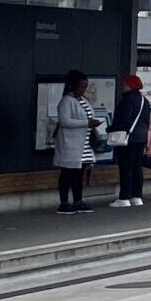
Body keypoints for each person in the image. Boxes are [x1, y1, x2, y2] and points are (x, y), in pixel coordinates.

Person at [51, 71, 100, 213]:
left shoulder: (83, 100)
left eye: (85, 87)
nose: (83, 90)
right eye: (81, 87)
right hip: (70, 144)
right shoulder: (66, 101)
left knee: (79, 174)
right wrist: (87, 123)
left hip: (84, 145)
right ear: (72, 86)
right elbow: (65, 121)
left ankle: (78, 200)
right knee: (67, 173)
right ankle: (64, 202)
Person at [108, 73, 151, 208]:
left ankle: (124, 198)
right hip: (141, 138)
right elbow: (147, 120)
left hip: (128, 139)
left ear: (130, 85)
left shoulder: (127, 100)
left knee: (126, 167)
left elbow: (123, 120)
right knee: (137, 168)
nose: (122, 87)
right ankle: (137, 196)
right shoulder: (144, 100)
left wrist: (110, 129)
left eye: (124, 84)